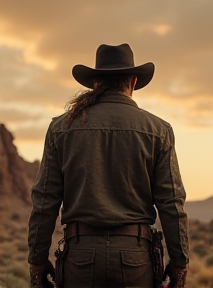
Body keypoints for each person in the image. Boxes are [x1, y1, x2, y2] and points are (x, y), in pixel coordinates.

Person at [28, 43, 189, 288]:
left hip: (80, 257)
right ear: (133, 81)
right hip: (136, 259)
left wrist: (37, 261)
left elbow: (45, 200)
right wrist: (179, 263)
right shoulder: (159, 130)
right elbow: (171, 203)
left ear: (95, 83)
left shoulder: (61, 128)